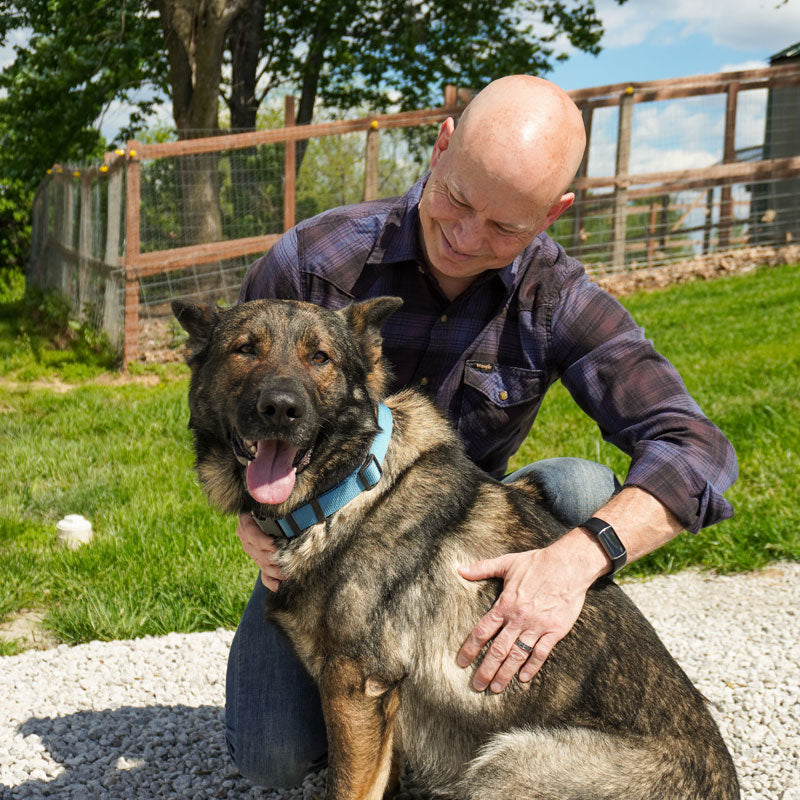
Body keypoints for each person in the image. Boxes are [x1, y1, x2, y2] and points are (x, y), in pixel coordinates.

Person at [226, 75, 738, 787]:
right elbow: (232, 402)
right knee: (269, 752)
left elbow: (698, 449)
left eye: (505, 228)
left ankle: (495, 706)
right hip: (319, 536)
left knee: (582, 490)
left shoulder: (555, 297)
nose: (466, 239)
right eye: (459, 201)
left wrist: (575, 560)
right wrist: (256, 517)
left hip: (457, 544)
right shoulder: (315, 263)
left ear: (553, 215)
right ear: (441, 148)